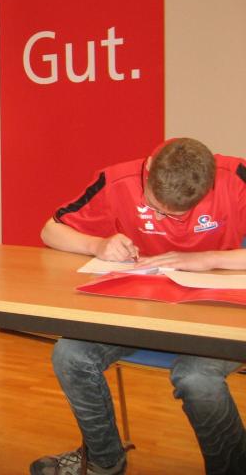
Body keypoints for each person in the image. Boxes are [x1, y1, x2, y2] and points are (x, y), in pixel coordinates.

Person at [31, 138, 246, 475]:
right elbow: (50, 231)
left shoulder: (236, 177)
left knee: (197, 380)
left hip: (218, 316)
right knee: (71, 355)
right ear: (148, 170)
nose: (163, 219)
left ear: (210, 186)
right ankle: (104, 459)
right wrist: (97, 244)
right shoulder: (119, 180)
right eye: (155, 208)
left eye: (175, 215)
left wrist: (206, 259)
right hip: (143, 311)